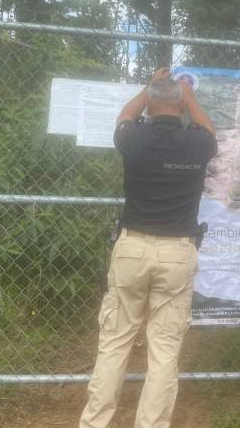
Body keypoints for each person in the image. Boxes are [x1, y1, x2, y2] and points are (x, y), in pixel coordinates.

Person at [79, 68, 217, 428]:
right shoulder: (198, 143)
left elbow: (124, 115)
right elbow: (209, 128)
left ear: (150, 106)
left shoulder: (134, 137)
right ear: (181, 106)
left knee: (114, 342)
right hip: (177, 252)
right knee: (164, 350)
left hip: (132, 247)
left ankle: (94, 423)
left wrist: (148, 87)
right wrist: (189, 94)